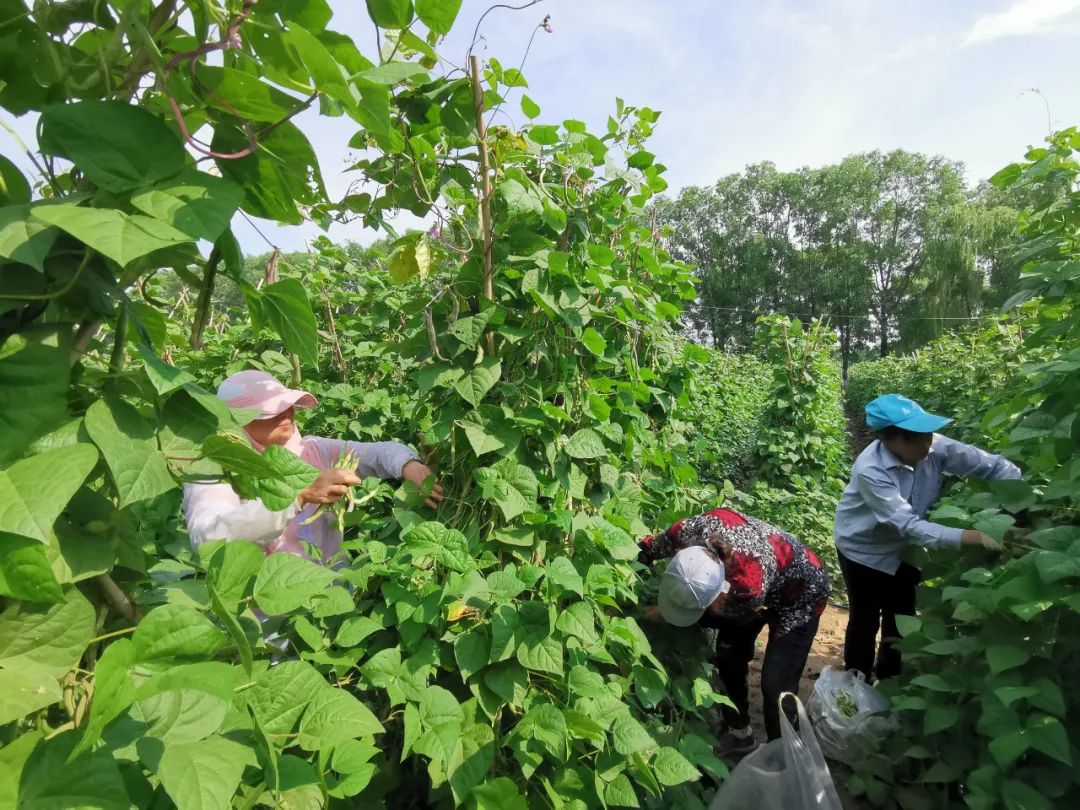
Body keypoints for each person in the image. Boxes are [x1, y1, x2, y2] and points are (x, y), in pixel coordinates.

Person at [834, 393, 1021, 681]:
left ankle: (888, 683)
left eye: (927, 433)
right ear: (888, 439)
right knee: (864, 619)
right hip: (863, 550)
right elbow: (910, 526)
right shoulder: (870, 469)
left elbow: (993, 466)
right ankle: (855, 684)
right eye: (915, 437)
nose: (927, 443)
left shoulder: (934, 445)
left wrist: (1021, 500)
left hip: (906, 550)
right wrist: (980, 537)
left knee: (901, 618)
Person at [183, 370, 443, 564]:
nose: (287, 414)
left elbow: (379, 453)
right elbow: (209, 539)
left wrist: (407, 465)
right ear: (235, 421)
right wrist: (298, 496)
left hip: (334, 591)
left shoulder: (312, 450)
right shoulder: (216, 469)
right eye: (271, 411)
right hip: (265, 616)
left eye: (287, 406)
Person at [638, 507, 829, 750]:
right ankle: (740, 734)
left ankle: (784, 753)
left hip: (801, 595)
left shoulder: (746, 587)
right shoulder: (687, 531)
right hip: (767, 577)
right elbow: (646, 549)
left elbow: (735, 618)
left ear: (719, 591)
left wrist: (662, 614)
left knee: (775, 686)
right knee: (728, 658)